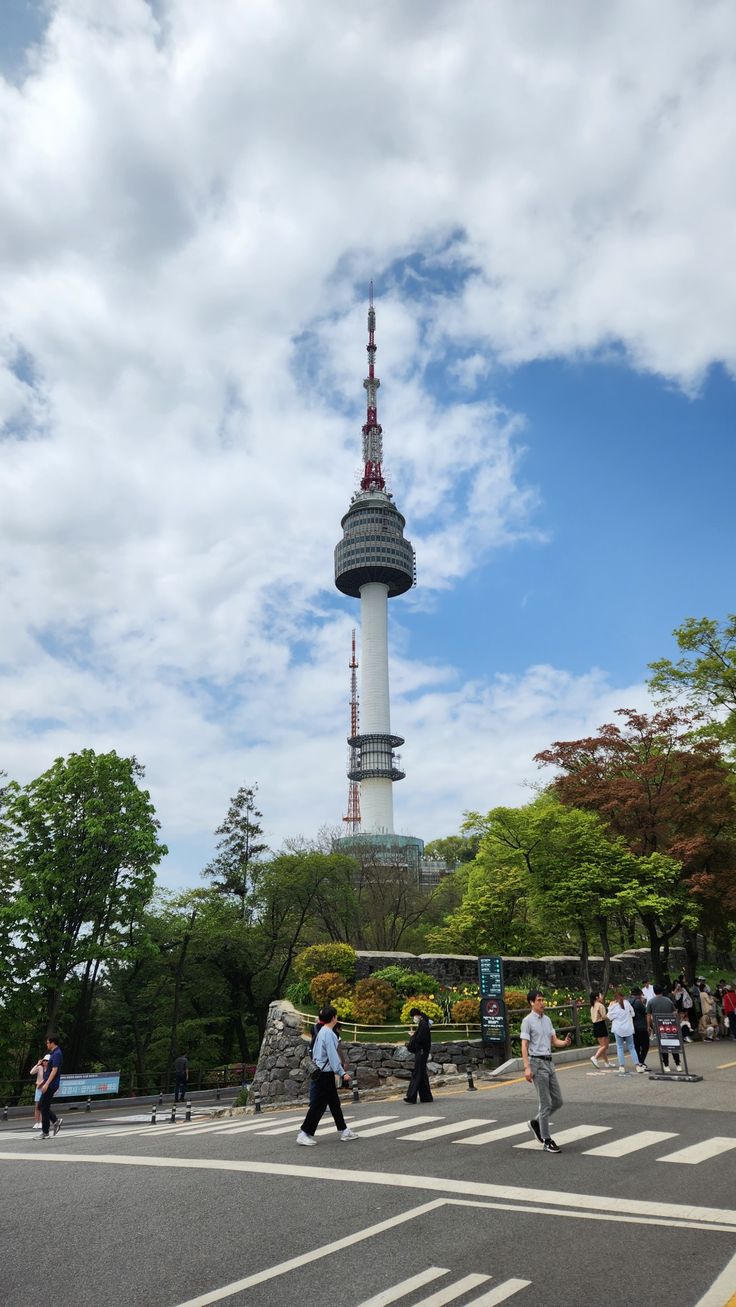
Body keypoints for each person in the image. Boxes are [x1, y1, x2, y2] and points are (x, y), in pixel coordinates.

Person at [296, 1006, 357, 1146]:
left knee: (334, 1104)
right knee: (319, 1105)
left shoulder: (322, 1031)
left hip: (321, 1071)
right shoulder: (329, 1034)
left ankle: (344, 1131)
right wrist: (342, 1073)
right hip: (325, 1073)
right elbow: (332, 1055)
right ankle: (304, 1133)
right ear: (334, 1018)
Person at [521, 989, 571, 1153]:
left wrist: (564, 1043)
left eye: (543, 1000)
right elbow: (524, 1045)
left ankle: (536, 1123)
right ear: (531, 1003)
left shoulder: (547, 1020)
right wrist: (527, 1067)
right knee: (545, 1103)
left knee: (558, 1101)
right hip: (537, 1063)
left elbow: (553, 1040)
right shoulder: (527, 1021)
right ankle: (547, 1140)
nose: (542, 1003)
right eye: (539, 1000)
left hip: (549, 1063)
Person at [607, 989, 645, 1074]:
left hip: (618, 1029)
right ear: (623, 997)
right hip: (628, 1028)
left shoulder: (613, 1006)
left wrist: (610, 1006)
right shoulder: (627, 1004)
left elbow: (609, 1017)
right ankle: (637, 1066)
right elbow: (633, 1014)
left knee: (620, 1047)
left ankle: (622, 1066)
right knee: (632, 1047)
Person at [646, 984, 682, 1071]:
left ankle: (666, 1065)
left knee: (663, 1045)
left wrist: (648, 1025)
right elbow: (675, 1012)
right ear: (662, 991)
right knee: (673, 1044)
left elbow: (648, 1015)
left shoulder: (651, 1002)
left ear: (654, 992)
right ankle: (678, 1064)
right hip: (670, 1025)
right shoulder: (668, 1000)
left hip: (659, 1026)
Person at [403, 1007, 433, 1104]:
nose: (413, 1019)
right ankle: (426, 1097)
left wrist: (413, 1036)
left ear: (416, 1015)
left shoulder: (423, 1024)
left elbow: (420, 1039)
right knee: (422, 1074)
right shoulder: (424, 1023)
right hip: (423, 1051)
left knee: (417, 1074)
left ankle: (411, 1097)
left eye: (413, 1017)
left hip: (421, 1051)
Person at [38, 1035, 63, 1138]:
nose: (47, 1044)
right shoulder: (53, 1053)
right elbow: (49, 1071)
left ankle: (45, 1132)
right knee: (41, 1106)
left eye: (48, 1043)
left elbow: (54, 1070)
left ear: (52, 1043)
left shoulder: (57, 1054)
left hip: (51, 1084)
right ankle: (55, 1121)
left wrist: (47, 1084)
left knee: (43, 1106)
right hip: (49, 1083)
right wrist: (43, 1081)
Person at [588, 991, 611, 1069]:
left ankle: (607, 1062)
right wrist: (612, 1016)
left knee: (603, 1046)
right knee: (605, 1046)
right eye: (600, 996)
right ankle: (595, 1057)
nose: (602, 997)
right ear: (597, 997)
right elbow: (604, 1016)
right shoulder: (600, 1005)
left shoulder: (592, 1006)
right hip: (601, 1025)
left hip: (595, 1026)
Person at [629, 987, 650, 1068]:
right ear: (639, 995)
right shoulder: (638, 1002)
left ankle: (639, 1062)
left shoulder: (627, 1001)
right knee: (646, 1045)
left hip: (632, 1027)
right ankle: (641, 1061)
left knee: (636, 1045)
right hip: (641, 1026)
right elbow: (645, 1012)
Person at [29, 1053, 50, 1130]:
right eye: (44, 1060)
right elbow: (31, 1072)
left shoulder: (50, 1069)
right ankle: (37, 1122)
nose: (45, 1062)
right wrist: (37, 1064)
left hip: (44, 1088)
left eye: (47, 1061)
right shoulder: (40, 1067)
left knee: (42, 1106)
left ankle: (41, 1122)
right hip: (38, 1089)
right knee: (37, 1106)